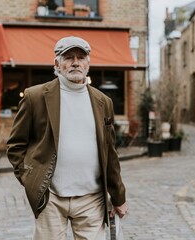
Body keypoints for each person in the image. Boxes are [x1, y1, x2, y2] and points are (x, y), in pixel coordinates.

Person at [7, 36, 127, 240]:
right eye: (68, 57)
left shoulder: (103, 101)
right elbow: (16, 145)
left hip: (92, 198)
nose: (75, 62)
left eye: (81, 57)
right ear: (57, 64)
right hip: (51, 197)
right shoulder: (35, 97)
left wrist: (118, 197)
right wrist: (30, 179)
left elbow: (110, 151)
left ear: (88, 64)